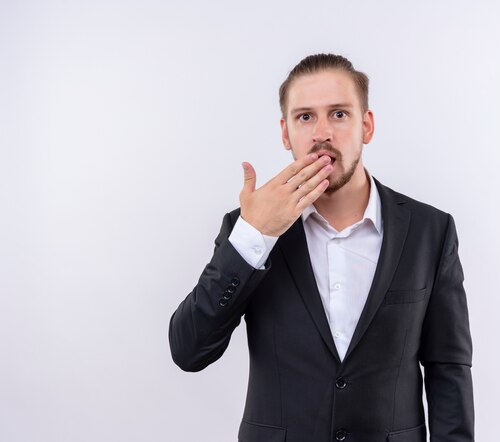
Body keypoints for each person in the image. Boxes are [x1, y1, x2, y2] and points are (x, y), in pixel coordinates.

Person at [169, 53, 474, 442]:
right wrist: (254, 235)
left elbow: (448, 368)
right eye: (305, 117)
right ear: (285, 133)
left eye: (339, 114)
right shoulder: (247, 229)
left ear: (367, 125)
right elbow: (189, 351)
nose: (322, 133)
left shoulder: (431, 230)